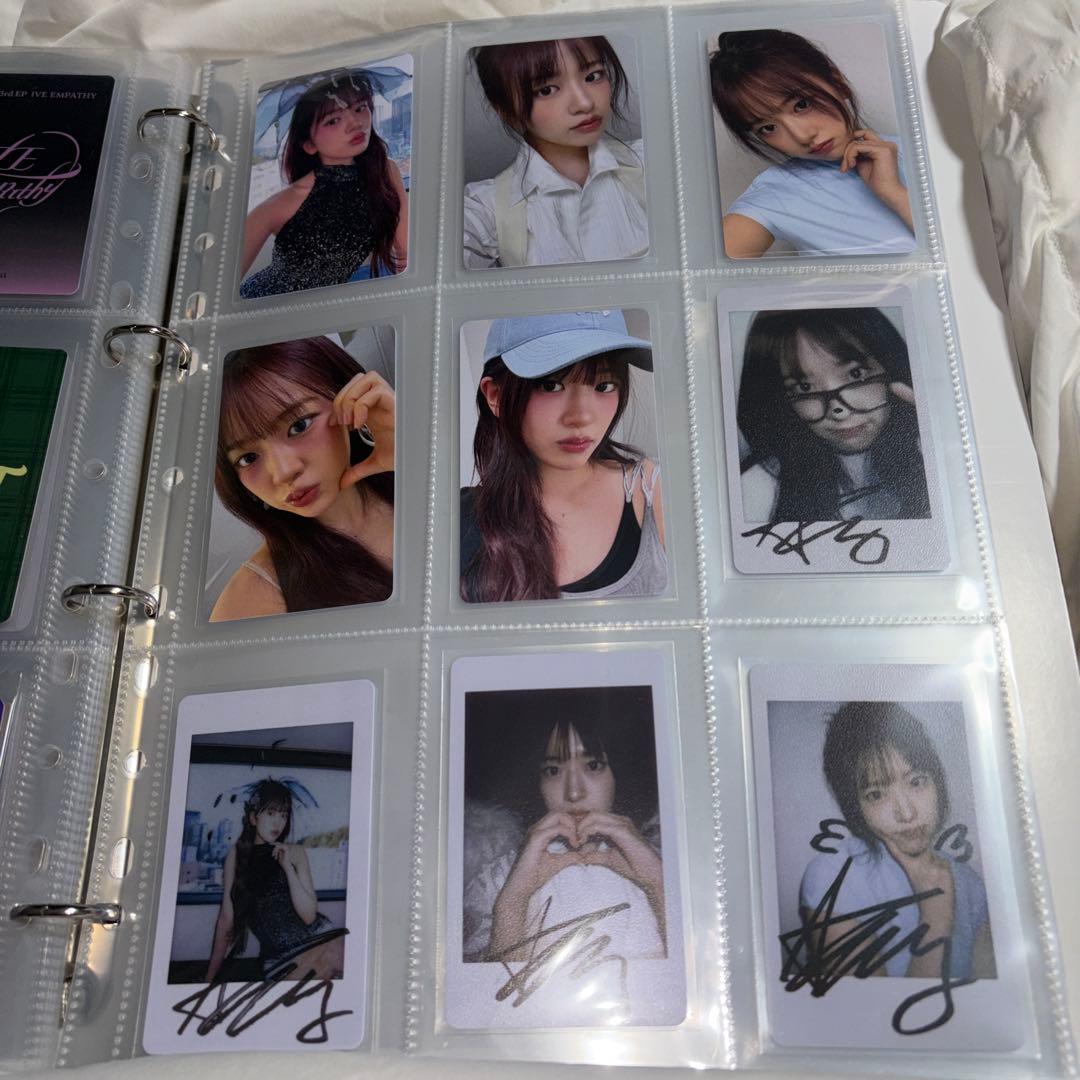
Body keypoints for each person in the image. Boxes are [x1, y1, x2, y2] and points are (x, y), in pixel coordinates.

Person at [460, 310, 666, 602]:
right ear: (495, 395)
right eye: (551, 385)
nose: (581, 416)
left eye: (604, 386)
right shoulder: (457, 521)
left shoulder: (653, 492)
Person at [798, 702, 995, 981]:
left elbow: (989, 997)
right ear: (856, 806)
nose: (906, 813)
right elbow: (878, 1008)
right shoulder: (831, 878)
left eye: (916, 781)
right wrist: (935, 916)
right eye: (877, 794)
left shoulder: (970, 881)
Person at [462, 694, 665, 963]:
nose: (574, 792)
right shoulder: (498, 878)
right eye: (553, 770)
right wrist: (513, 902)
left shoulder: (662, 865)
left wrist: (657, 884)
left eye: (593, 766)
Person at [211, 336, 394, 621]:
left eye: (299, 426)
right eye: (248, 458)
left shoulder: (430, 494)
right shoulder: (250, 603)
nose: (283, 471)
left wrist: (416, 457)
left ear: (348, 396)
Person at [709, 29, 915, 258]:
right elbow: (700, 276)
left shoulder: (923, 152)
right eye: (767, 128)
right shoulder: (777, 194)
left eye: (802, 104)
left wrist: (894, 194)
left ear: (837, 82)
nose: (801, 136)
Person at [463, 37, 647, 268]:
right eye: (547, 90)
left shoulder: (654, 161)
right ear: (505, 108)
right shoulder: (486, 207)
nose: (584, 103)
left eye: (593, 76)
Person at [737, 306, 929, 523]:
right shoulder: (759, 487)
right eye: (805, 388)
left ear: (891, 368)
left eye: (855, 374)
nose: (838, 410)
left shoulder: (931, 452)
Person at [239, 73, 408, 299]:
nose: (355, 123)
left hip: (327, 308)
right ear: (309, 144)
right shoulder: (286, 202)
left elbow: (404, 251)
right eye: (333, 120)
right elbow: (219, 281)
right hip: (268, 307)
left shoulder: (385, 171)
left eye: (360, 108)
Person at [204, 779, 343, 982]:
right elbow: (226, 919)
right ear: (253, 818)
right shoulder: (236, 856)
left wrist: (287, 868)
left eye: (283, 815)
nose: (278, 823)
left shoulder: (295, 852)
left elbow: (309, 916)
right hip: (281, 961)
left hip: (321, 941)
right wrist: (208, 979)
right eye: (270, 813)